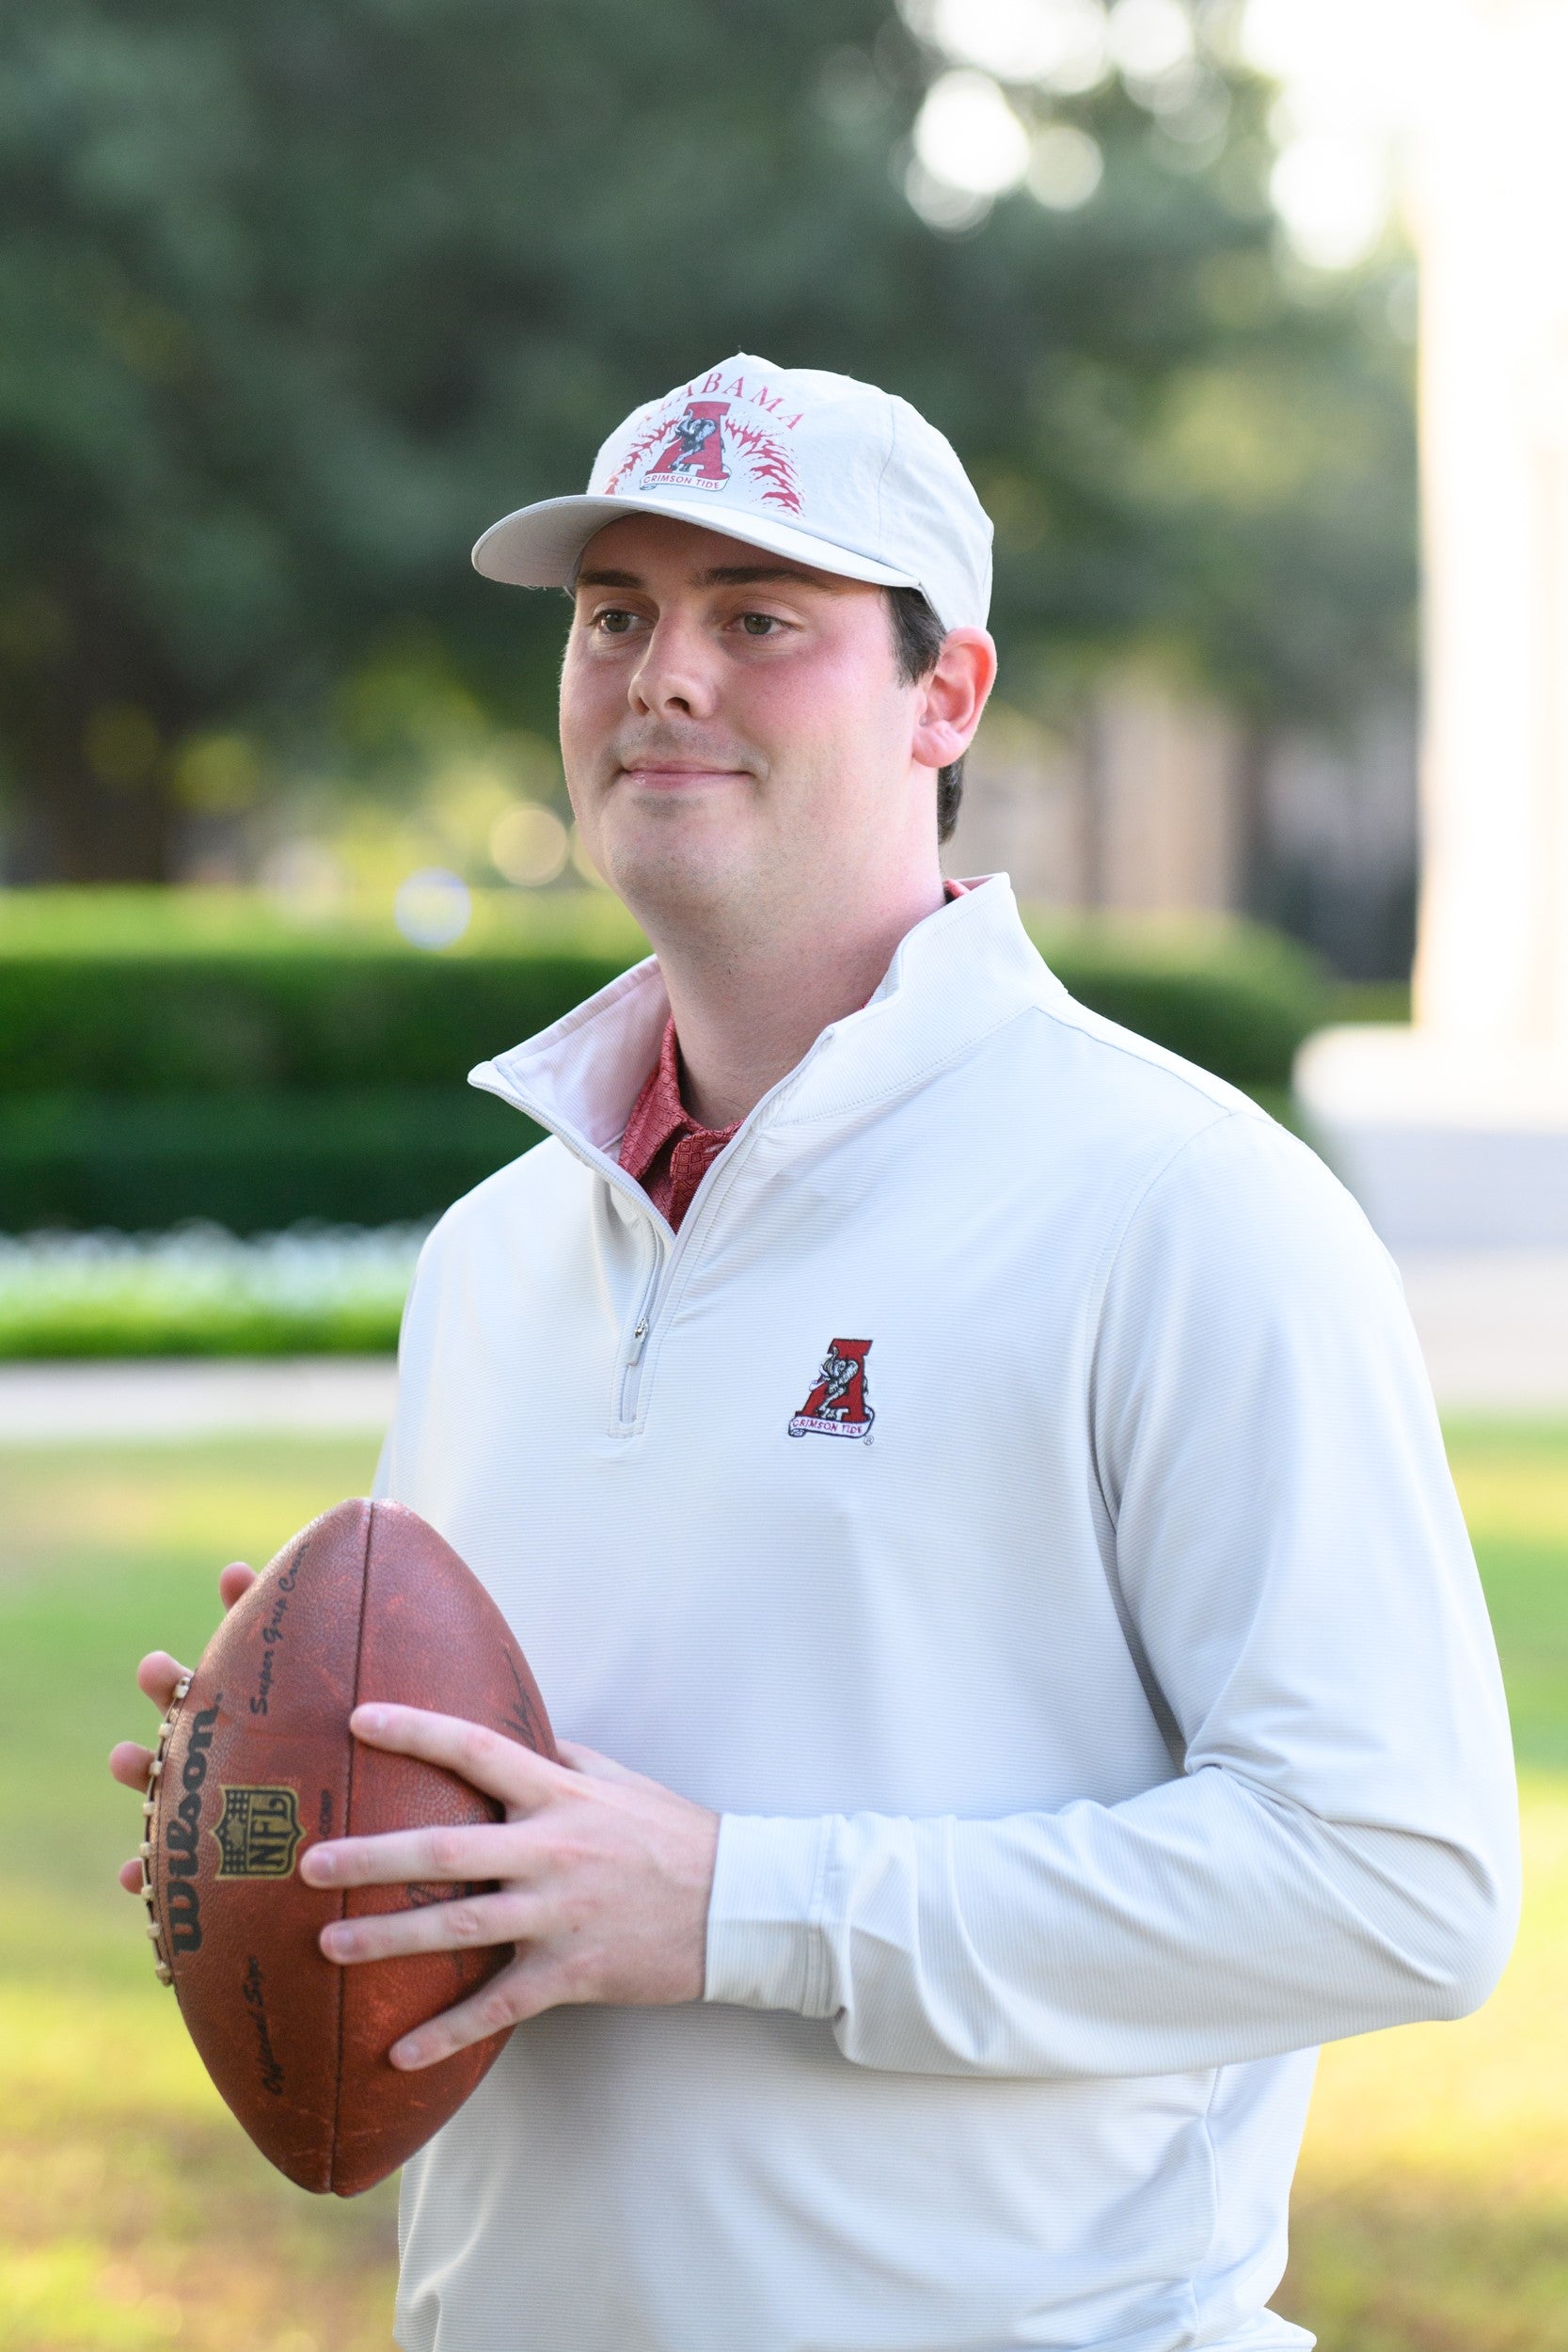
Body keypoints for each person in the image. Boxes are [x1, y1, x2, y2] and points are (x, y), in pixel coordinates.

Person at [114, 356, 1520, 2352]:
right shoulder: (497, 1253)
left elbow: (1398, 1879)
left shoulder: (1182, 1202)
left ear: (948, 697)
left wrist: (731, 1907)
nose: (663, 675)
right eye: (617, 617)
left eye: (760, 618)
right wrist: (301, 1813)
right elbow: (550, 1841)